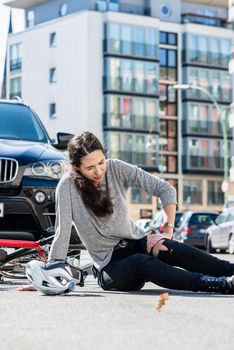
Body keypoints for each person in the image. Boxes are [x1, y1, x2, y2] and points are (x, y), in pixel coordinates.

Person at [39, 131, 234, 295]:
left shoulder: (115, 168)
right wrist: (49, 276)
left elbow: (166, 190)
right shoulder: (67, 186)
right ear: (77, 168)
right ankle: (219, 284)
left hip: (136, 243)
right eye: (90, 167)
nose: (99, 171)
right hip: (110, 267)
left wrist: (168, 229)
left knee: (166, 246)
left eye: (101, 162)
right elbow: (62, 232)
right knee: (142, 262)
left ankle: (229, 271)